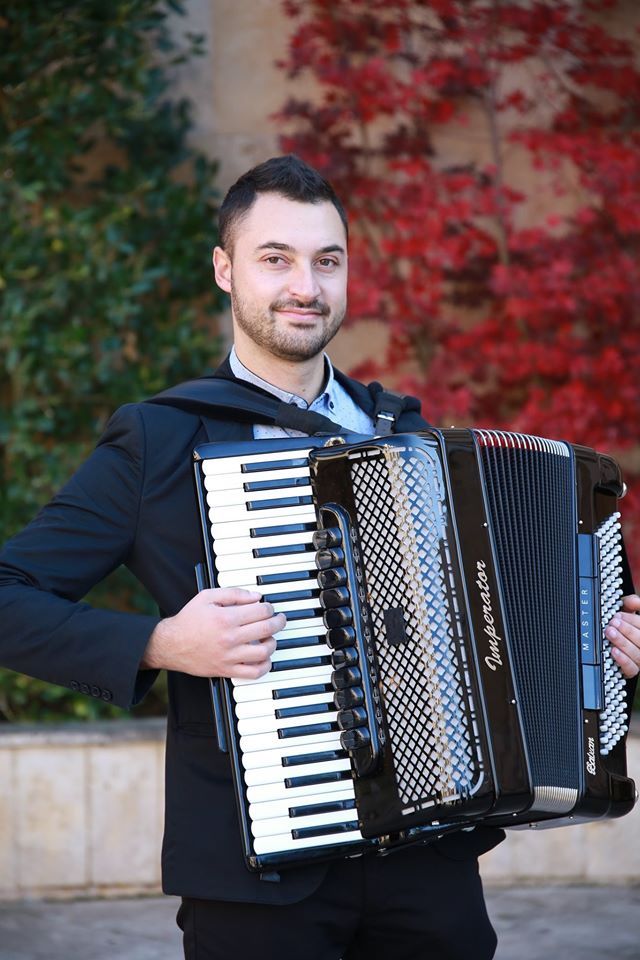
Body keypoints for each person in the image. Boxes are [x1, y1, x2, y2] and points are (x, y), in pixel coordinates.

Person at [0, 155, 639, 960]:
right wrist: (160, 644)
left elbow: (498, 633)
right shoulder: (159, 441)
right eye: (276, 258)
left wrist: (601, 646)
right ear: (225, 271)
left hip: (429, 863)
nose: (305, 284)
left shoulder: (408, 437)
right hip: (257, 877)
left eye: (326, 261)